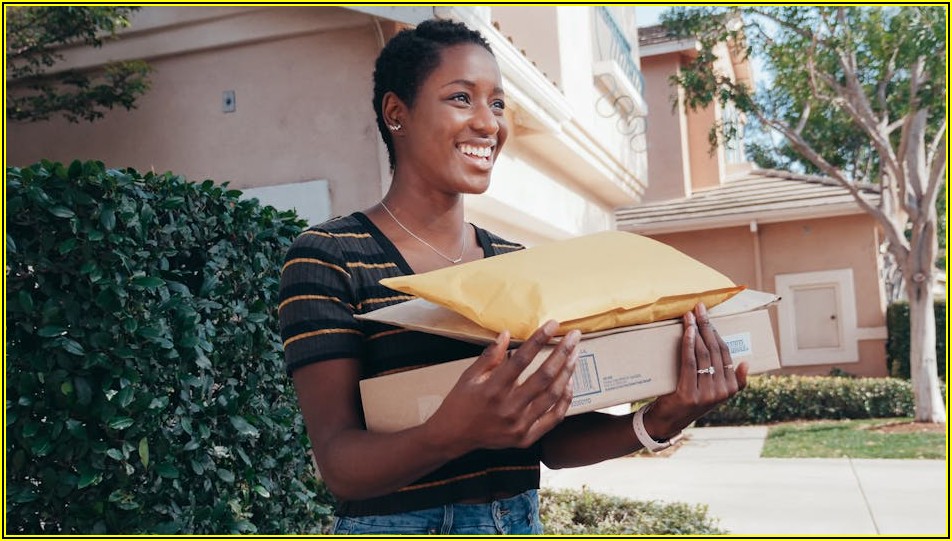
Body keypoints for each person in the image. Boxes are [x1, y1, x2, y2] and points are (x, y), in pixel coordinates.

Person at [278, 18, 747, 535]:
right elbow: (340, 465)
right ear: (397, 113)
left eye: (498, 103)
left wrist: (659, 420)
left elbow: (551, 441)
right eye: (462, 98)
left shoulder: (514, 264)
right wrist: (450, 433)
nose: (489, 123)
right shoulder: (330, 258)